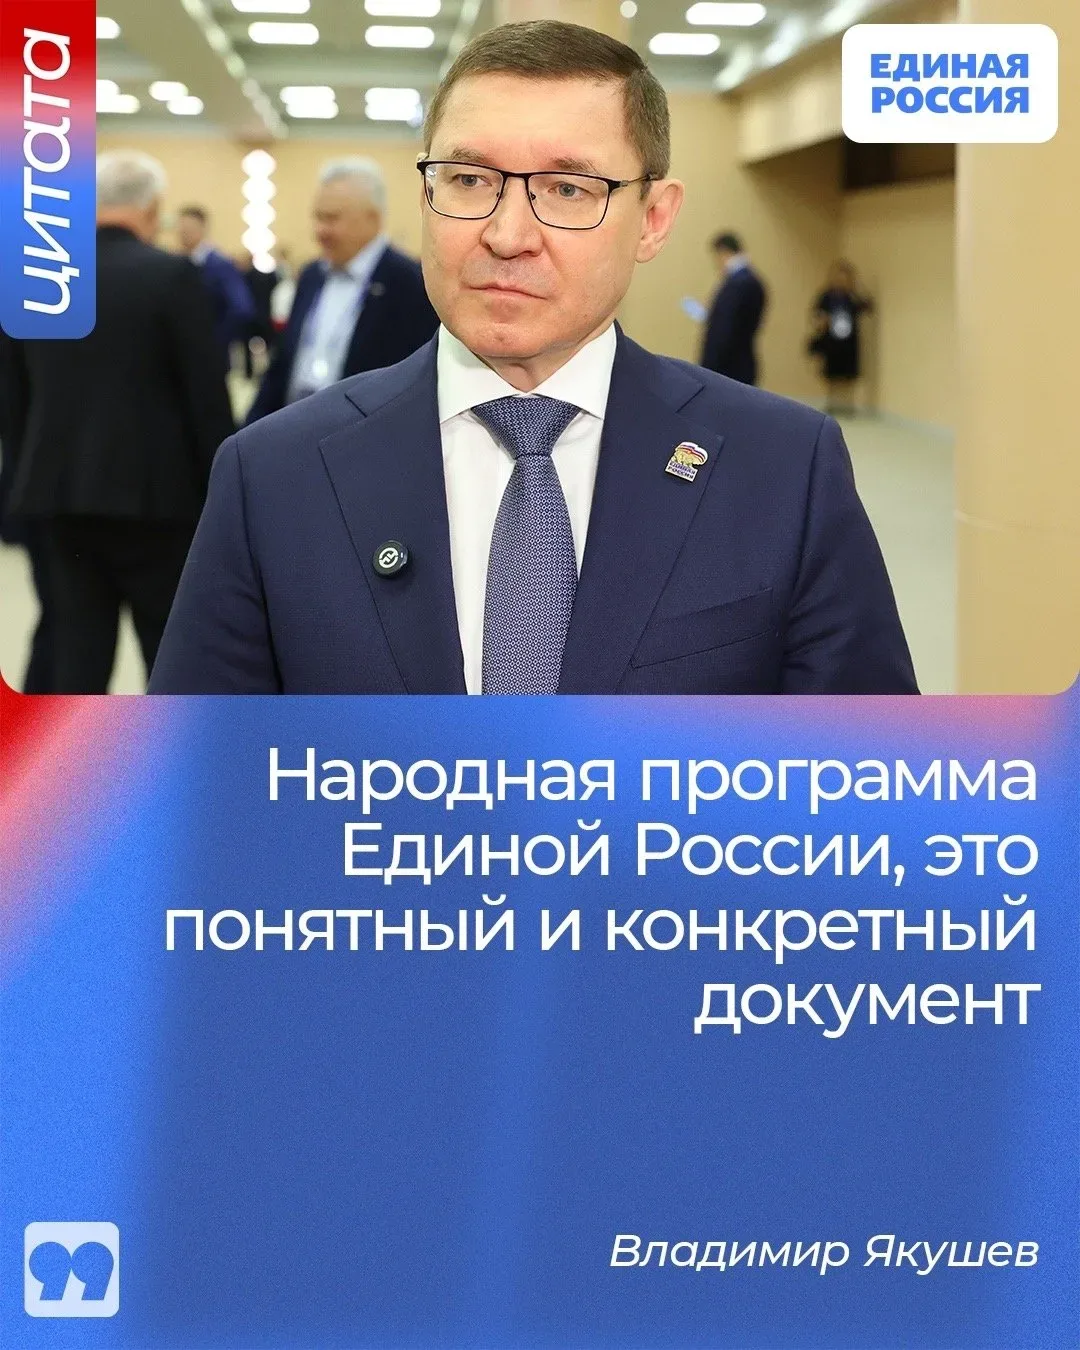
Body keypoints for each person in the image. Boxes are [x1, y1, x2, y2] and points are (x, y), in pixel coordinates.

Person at [150, 20, 916, 696]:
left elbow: (859, 782)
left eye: (568, 189)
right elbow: (197, 783)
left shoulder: (783, 466)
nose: (507, 234)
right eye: (468, 179)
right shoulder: (272, 475)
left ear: (653, 219)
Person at [2, 151, 235, 693]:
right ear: (152, 209)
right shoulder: (171, 276)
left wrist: (21, 485)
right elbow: (204, 398)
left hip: (58, 498)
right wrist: (223, 494)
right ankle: (170, 750)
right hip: (156, 503)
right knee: (169, 651)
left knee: (75, 651)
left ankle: (70, 752)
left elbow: (12, 402)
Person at [244, 160, 439, 425]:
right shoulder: (312, 275)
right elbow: (283, 364)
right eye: (317, 217)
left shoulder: (410, 283)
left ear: (373, 218)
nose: (320, 230)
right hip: (295, 428)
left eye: (332, 218)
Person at [175, 205, 255, 372]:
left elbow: (241, 308)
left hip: (211, 355)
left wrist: (216, 339)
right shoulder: (179, 263)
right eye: (181, 229)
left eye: (188, 229)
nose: (183, 234)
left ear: (202, 229)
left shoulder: (219, 264)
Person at [700, 232, 768, 385]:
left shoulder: (738, 283)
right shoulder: (752, 281)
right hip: (741, 363)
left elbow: (724, 329)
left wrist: (708, 367)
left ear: (723, 252)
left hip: (729, 368)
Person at [810, 261, 874, 414]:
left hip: (849, 342)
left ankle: (848, 406)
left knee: (849, 375)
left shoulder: (852, 297)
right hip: (831, 341)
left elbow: (868, 306)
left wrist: (859, 288)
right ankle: (832, 404)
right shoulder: (827, 296)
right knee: (831, 374)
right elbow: (816, 315)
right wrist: (822, 321)